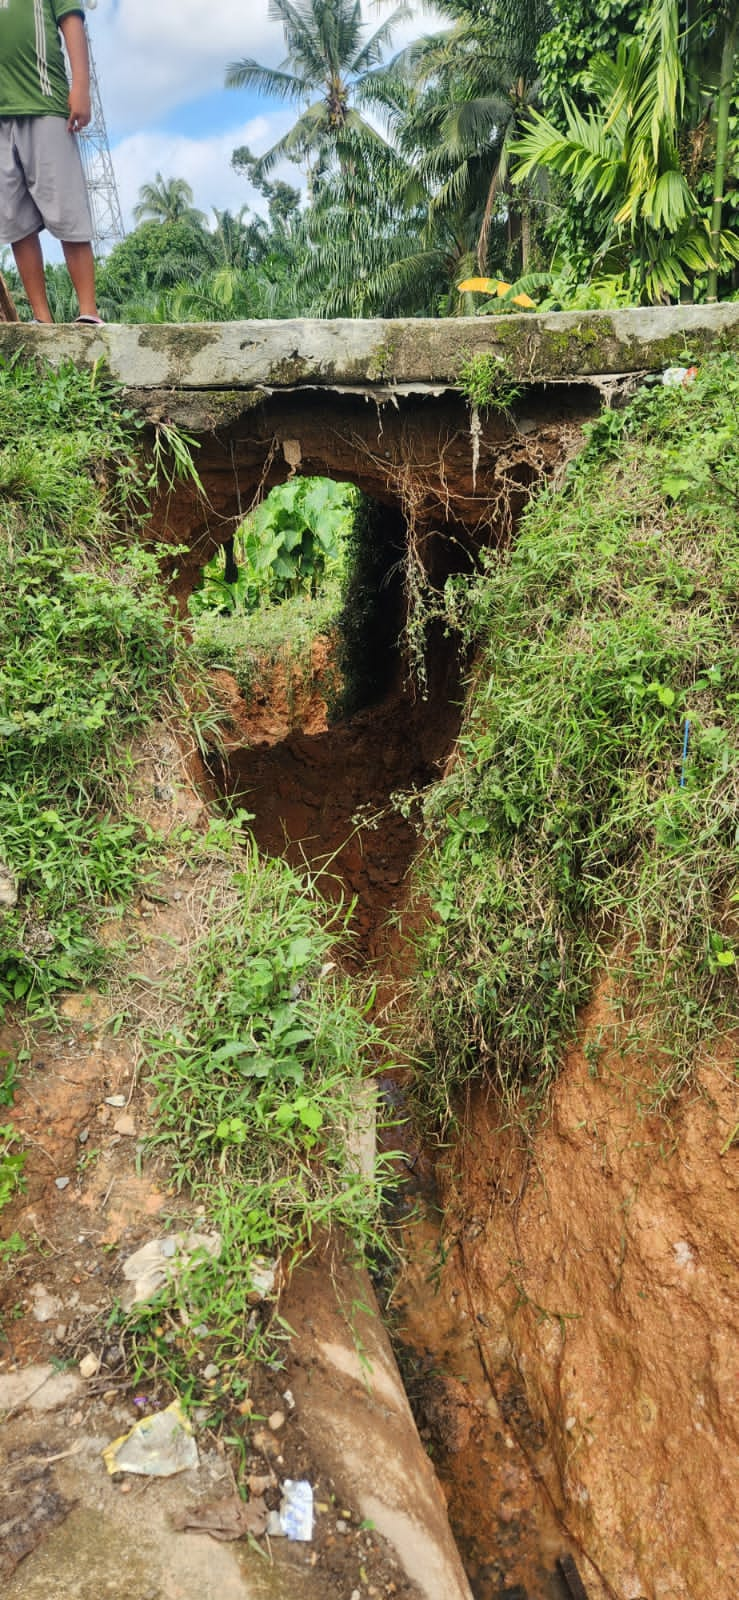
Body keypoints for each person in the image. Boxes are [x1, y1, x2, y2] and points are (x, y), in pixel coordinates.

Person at [0, 0, 102, 324]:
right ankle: (42, 320)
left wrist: (81, 86)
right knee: (16, 222)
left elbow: (71, 19)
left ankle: (88, 311)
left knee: (68, 210)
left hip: (45, 102)